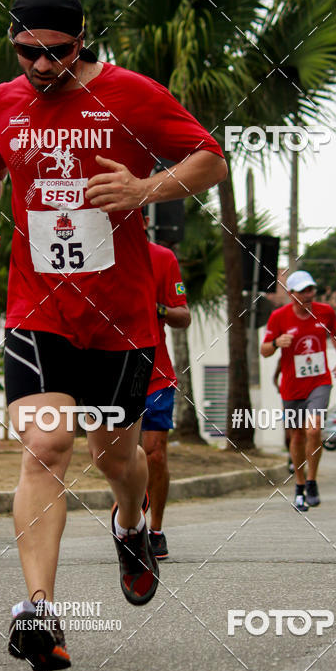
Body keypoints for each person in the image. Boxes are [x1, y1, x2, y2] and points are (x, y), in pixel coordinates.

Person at [0, 0, 227, 671]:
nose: (43, 67)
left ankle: (131, 525)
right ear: (13, 42)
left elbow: (210, 157)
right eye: (28, 53)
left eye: (57, 53)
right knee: (47, 445)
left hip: (122, 317)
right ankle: (39, 611)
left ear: (82, 40)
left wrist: (147, 190)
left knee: (116, 458)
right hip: (37, 309)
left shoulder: (132, 94)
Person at [260, 270, 336, 512]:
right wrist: (277, 343)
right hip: (292, 386)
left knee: (314, 428)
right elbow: (264, 350)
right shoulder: (278, 317)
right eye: (303, 291)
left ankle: (312, 481)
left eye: (311, 290)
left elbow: (335, 334)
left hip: (319, 381)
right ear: (291, 294)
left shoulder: (326, 312)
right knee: (296, 436)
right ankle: (299, 485)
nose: (309, 295)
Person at [141, 213, 191, 559]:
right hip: (111, 372)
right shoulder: (96, 258)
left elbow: (183, 316)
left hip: (155, 373)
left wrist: (158, 308)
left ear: (143, 220)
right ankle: (131, 523)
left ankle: (155, 529)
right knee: (119, 457)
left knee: (155, 453)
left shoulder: (162, 258)